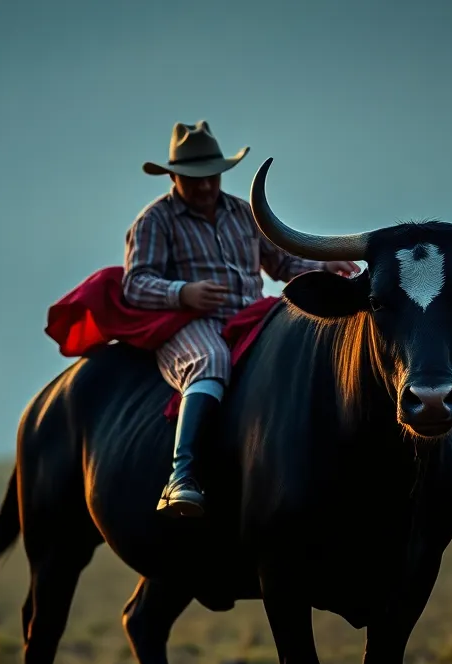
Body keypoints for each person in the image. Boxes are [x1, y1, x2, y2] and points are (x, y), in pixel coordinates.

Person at [123, 120, 359, 518]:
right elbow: (136, 283)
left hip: (250, 313)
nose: (203, 187)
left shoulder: (240, 212)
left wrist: (323, 264)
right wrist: (183, 292)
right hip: (191, 323)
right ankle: (182, 475)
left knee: (300, 345)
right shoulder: (155, 220)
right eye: (193, 179)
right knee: (210, 362)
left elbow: (280, 261)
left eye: (210, 177)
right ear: (174, 177)